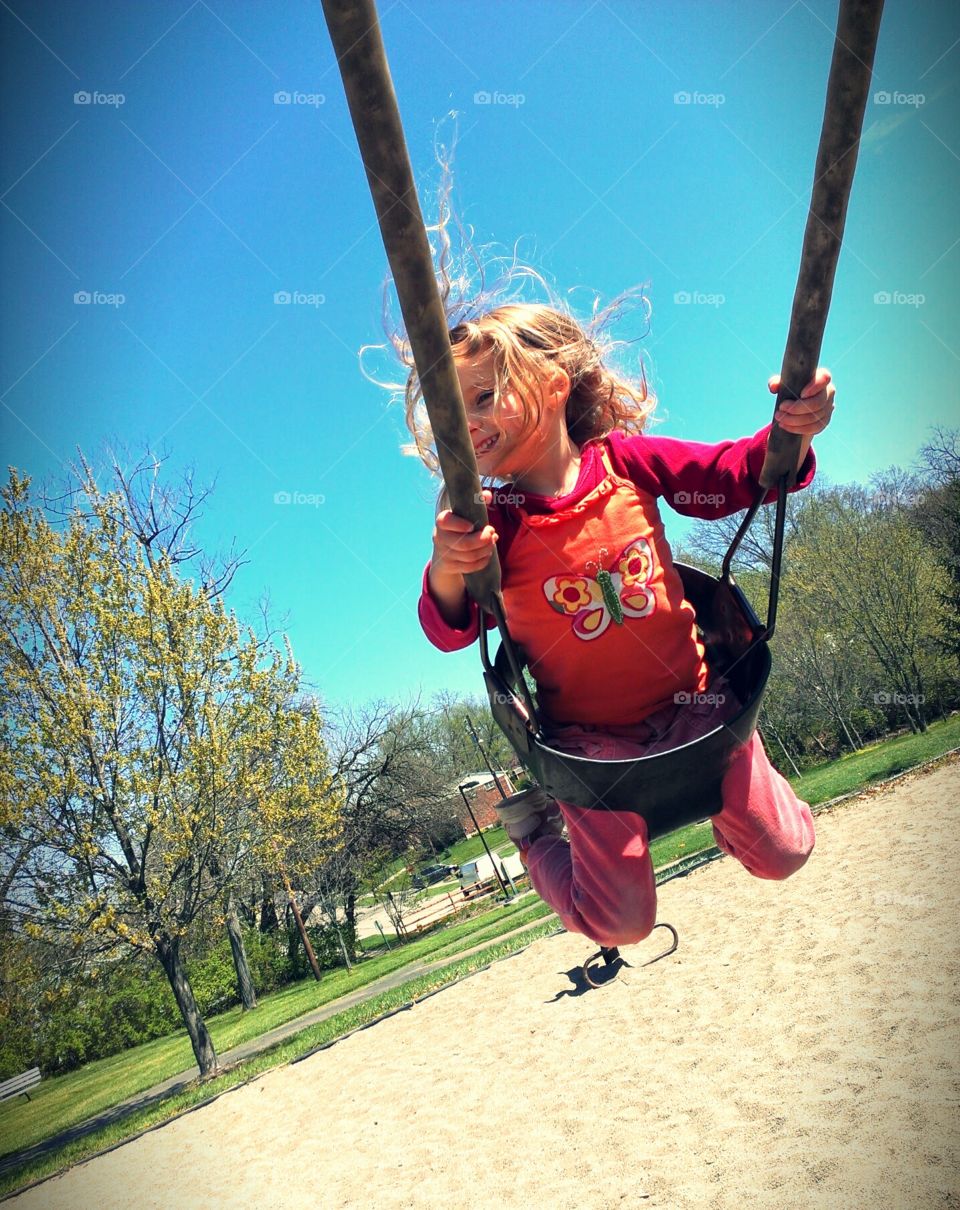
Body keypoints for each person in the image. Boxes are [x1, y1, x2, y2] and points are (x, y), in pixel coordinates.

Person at [412, 303, 834, 949]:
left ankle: (728, 804)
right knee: (621, 925)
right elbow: (453, 630)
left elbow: (734, 475)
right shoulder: (494, 520)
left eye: (483, 397)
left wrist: (791, 431)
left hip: (700, 707)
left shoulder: (627, 463)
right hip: (590, 750)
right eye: (451, 414)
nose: (466, 423)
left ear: (553, 382)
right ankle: (533, 833)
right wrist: (449, 566)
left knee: (785, 853)